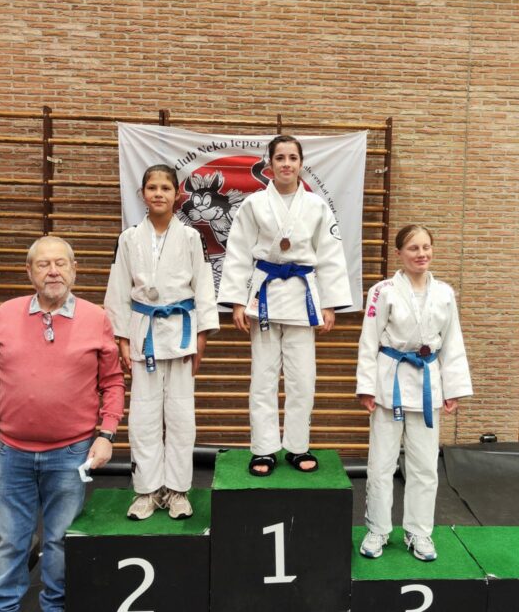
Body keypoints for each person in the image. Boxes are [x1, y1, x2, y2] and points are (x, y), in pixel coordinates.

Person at [0, 236, 125, 612]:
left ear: (74, 270)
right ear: (29, 272)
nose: (53, 271)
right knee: (11, 541)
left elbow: (112, 383)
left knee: (58, 541)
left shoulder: (96, 319)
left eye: (60, 263)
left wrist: (107, 434)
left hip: (71, 454)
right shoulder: (6, 314)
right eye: (43, 264)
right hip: (13, 452)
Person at [217, 135, 352, 476]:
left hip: (302, 296)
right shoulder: (254, 204)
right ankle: (263, 449)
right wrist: (237, 301)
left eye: (293, 157)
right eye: (280, 157)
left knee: (302, 378)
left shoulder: (316, 206)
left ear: (301, 163)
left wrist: (330, 304)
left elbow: (330, 256)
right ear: (270, 164)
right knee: (263, 377)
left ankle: (297, 445)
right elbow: (238, 252)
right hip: (264, 294)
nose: (287, 164)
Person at [104, 164, 219, 520]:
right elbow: (119, 289)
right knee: (143, 415)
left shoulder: (191, 238)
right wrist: (122, 338)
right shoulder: (128, 238)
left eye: (165, 188)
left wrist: (202, 336)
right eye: (152, 187)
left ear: (177, 194)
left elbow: (203, 286)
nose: (158, 193)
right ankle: (147, 490)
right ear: (142, 194)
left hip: (182, 332)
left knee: (181, 415)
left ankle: (178, 490)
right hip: (144, 332)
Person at [355, 225, 472, 562]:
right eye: (413, 248)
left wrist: (453, 388)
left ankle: (419, 532)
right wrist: (366, 386)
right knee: (381, 464)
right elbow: (369, 340)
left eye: (426, 247)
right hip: (389, 382)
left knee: (424, 466)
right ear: (399, 254)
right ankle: (378, 529)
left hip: (427, 384)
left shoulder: (444, 293)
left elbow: (452, 342)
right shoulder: (382, 291)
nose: (422, 254)